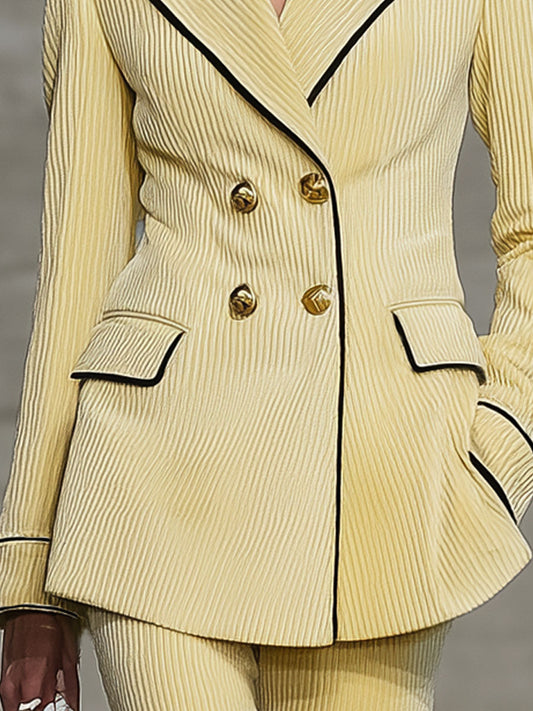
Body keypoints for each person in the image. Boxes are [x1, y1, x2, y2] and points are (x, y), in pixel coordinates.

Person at [1, 0, 532, 709]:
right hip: (155, 477)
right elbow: (76, 268)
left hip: (381, 471)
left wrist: (505, 440)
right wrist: (30, 569)